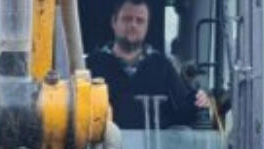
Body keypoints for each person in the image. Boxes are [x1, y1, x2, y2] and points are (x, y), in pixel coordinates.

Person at [84, 0, 208, 130]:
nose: (133, 25)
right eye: (127, 19)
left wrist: (198, 100)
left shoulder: (163, 67)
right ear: (114, 22)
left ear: (147, 26)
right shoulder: (91, 66)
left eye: (140, 21)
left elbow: (182, 114)